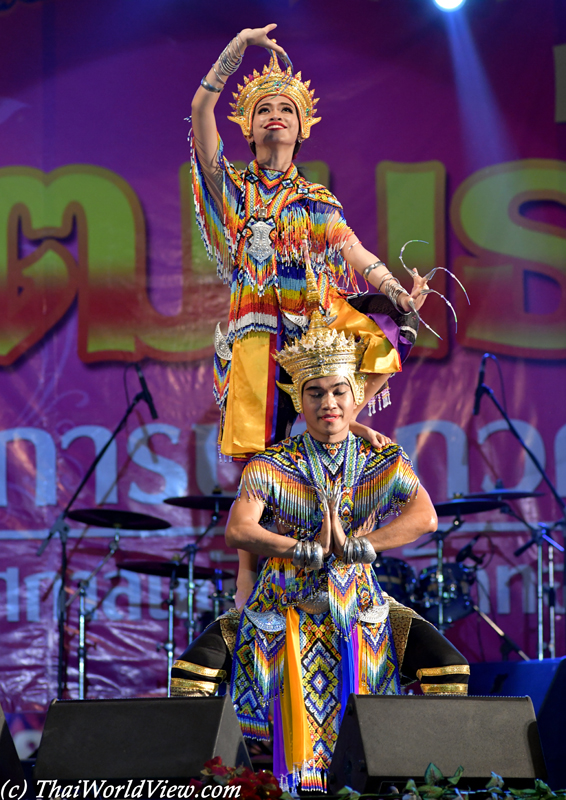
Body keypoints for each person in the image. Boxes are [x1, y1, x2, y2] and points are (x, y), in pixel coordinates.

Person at [170, 273, 469, 791]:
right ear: (300, 401)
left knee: (449, 669)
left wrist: (363, 545)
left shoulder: (381, 458)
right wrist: (299, 549)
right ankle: (223, 784)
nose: (328, 403)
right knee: (191, 675)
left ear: (355, 398)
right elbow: (239, 529)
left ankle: (417, 783)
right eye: (315, 394)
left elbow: (425, 516)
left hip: (362, 605)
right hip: (281, 604)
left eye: (337, 393)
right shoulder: (273, 463)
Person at [190, 24, 430, 460]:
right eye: (263, 109)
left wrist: (397, 291)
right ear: (249, 128)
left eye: (286, 108)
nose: (274, 114)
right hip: (255, 333)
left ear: (302, 128)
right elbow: (200, 108)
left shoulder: (316, 200)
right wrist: (238, 47)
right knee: (260, 467)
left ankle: (350, 415)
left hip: (313, 331)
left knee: (395, 323)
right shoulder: (231, 189)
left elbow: (352, 251)